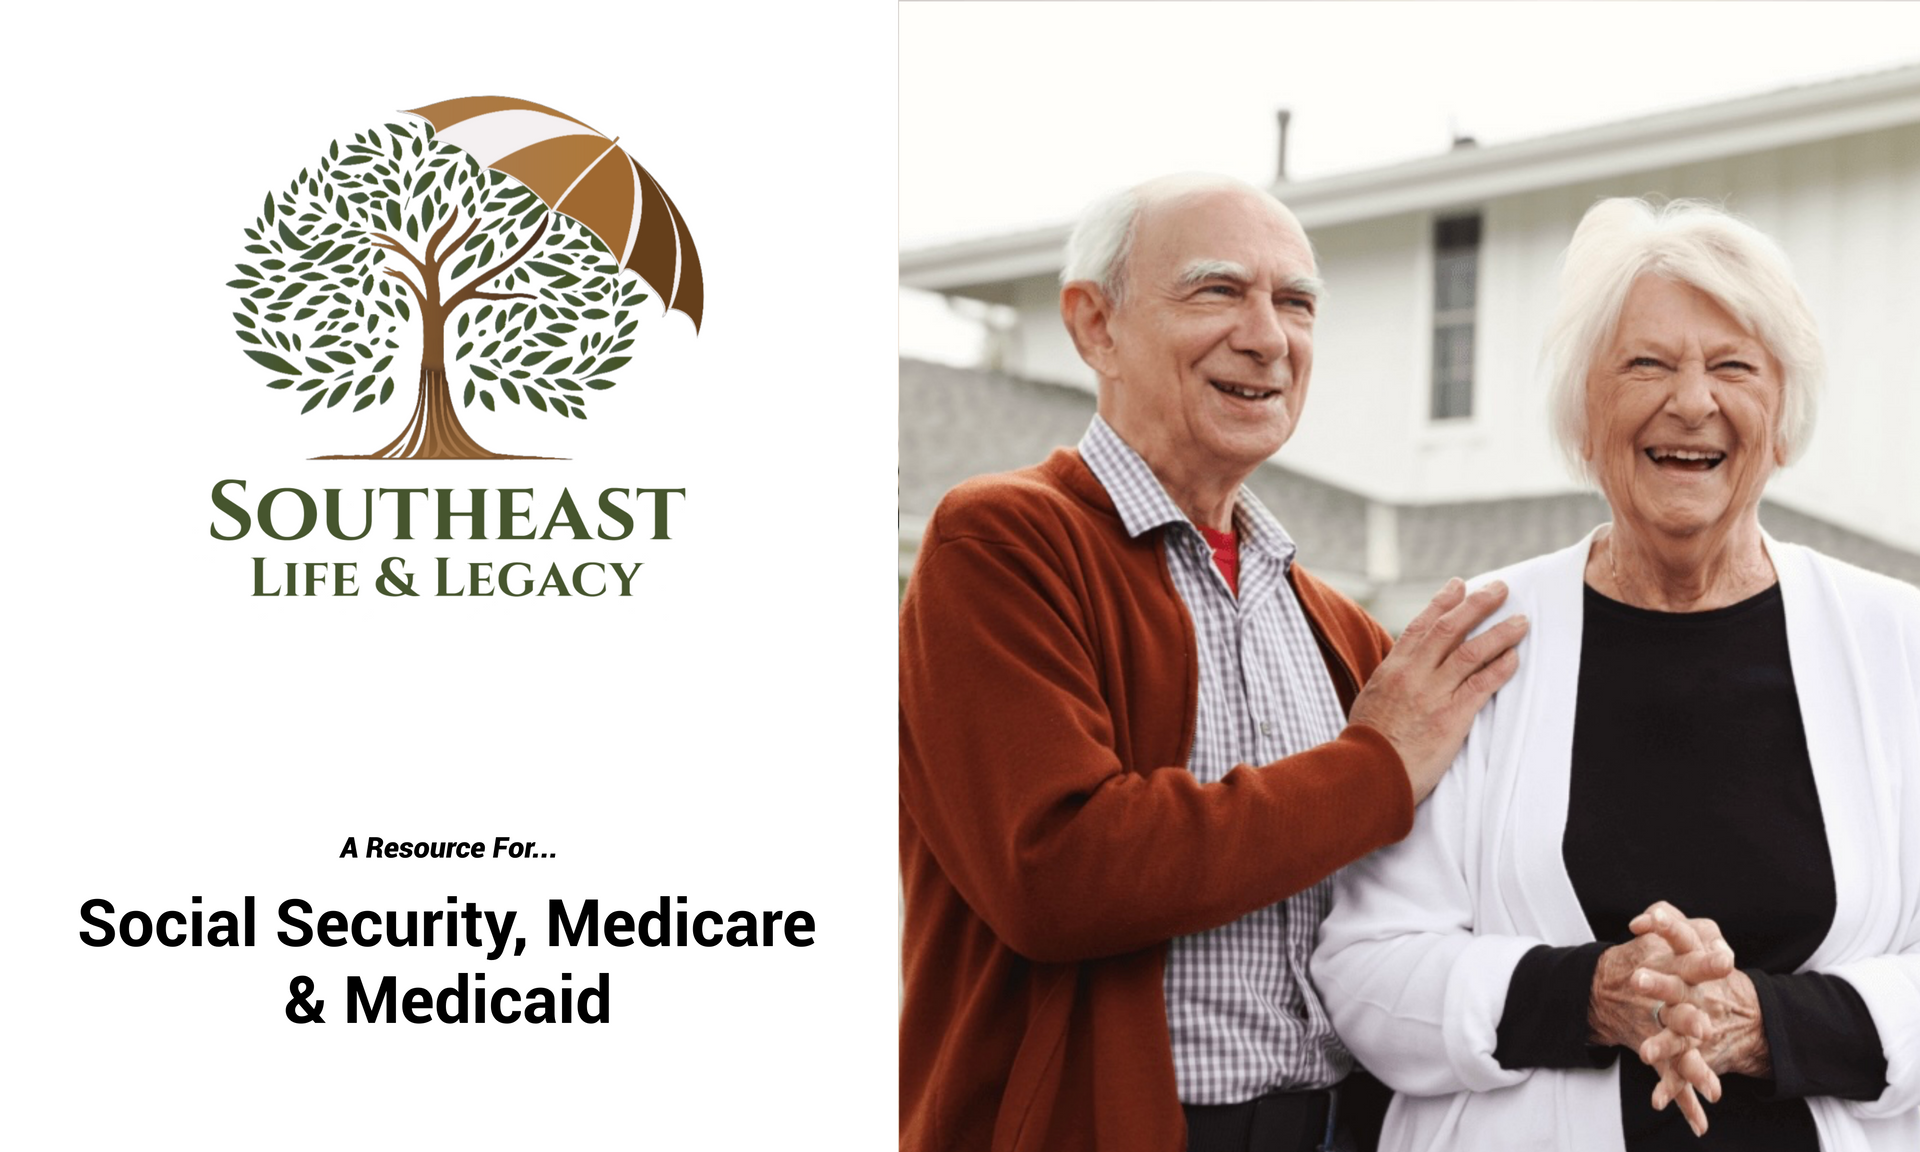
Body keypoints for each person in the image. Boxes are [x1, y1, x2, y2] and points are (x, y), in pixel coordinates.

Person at [898, 173, 1529, 1152]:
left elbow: (1445, 895)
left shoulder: (1335, 627)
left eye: (1296, 304)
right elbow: (1056, 872)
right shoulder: (1003, 543)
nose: (1268, 337)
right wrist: (1375, 768)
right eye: (1217, 292)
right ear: (1094, 326)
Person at [1313, 197, 1920, 1151]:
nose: (1691, 400)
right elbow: (1366, 972)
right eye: (1646, 363)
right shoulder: (1476, 639)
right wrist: (1598, 999)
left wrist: (1761, 1022)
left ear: (1783, 421)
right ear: (1584, 418)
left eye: (1733, 366)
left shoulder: (1900, 645)